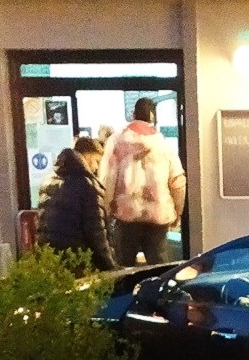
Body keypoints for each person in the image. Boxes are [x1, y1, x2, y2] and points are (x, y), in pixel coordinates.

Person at [100, 97, 186, 266]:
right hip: (158, 215)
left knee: (124, 267)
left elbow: (107, 180)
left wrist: (107, 209)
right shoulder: (164, 144)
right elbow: (178, 181)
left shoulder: (116, 141)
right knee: (158, 266)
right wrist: (177, 210)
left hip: (126, 215)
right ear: (152, 117)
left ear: (133, 115)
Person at [36, 138, 117, 272]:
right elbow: (96, 232)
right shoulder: (87, 185)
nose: (96, 167)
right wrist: (110, 266)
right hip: (77, 261)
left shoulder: (48, 180)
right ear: (87, 155)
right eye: (96, 161)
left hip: (50, 260)